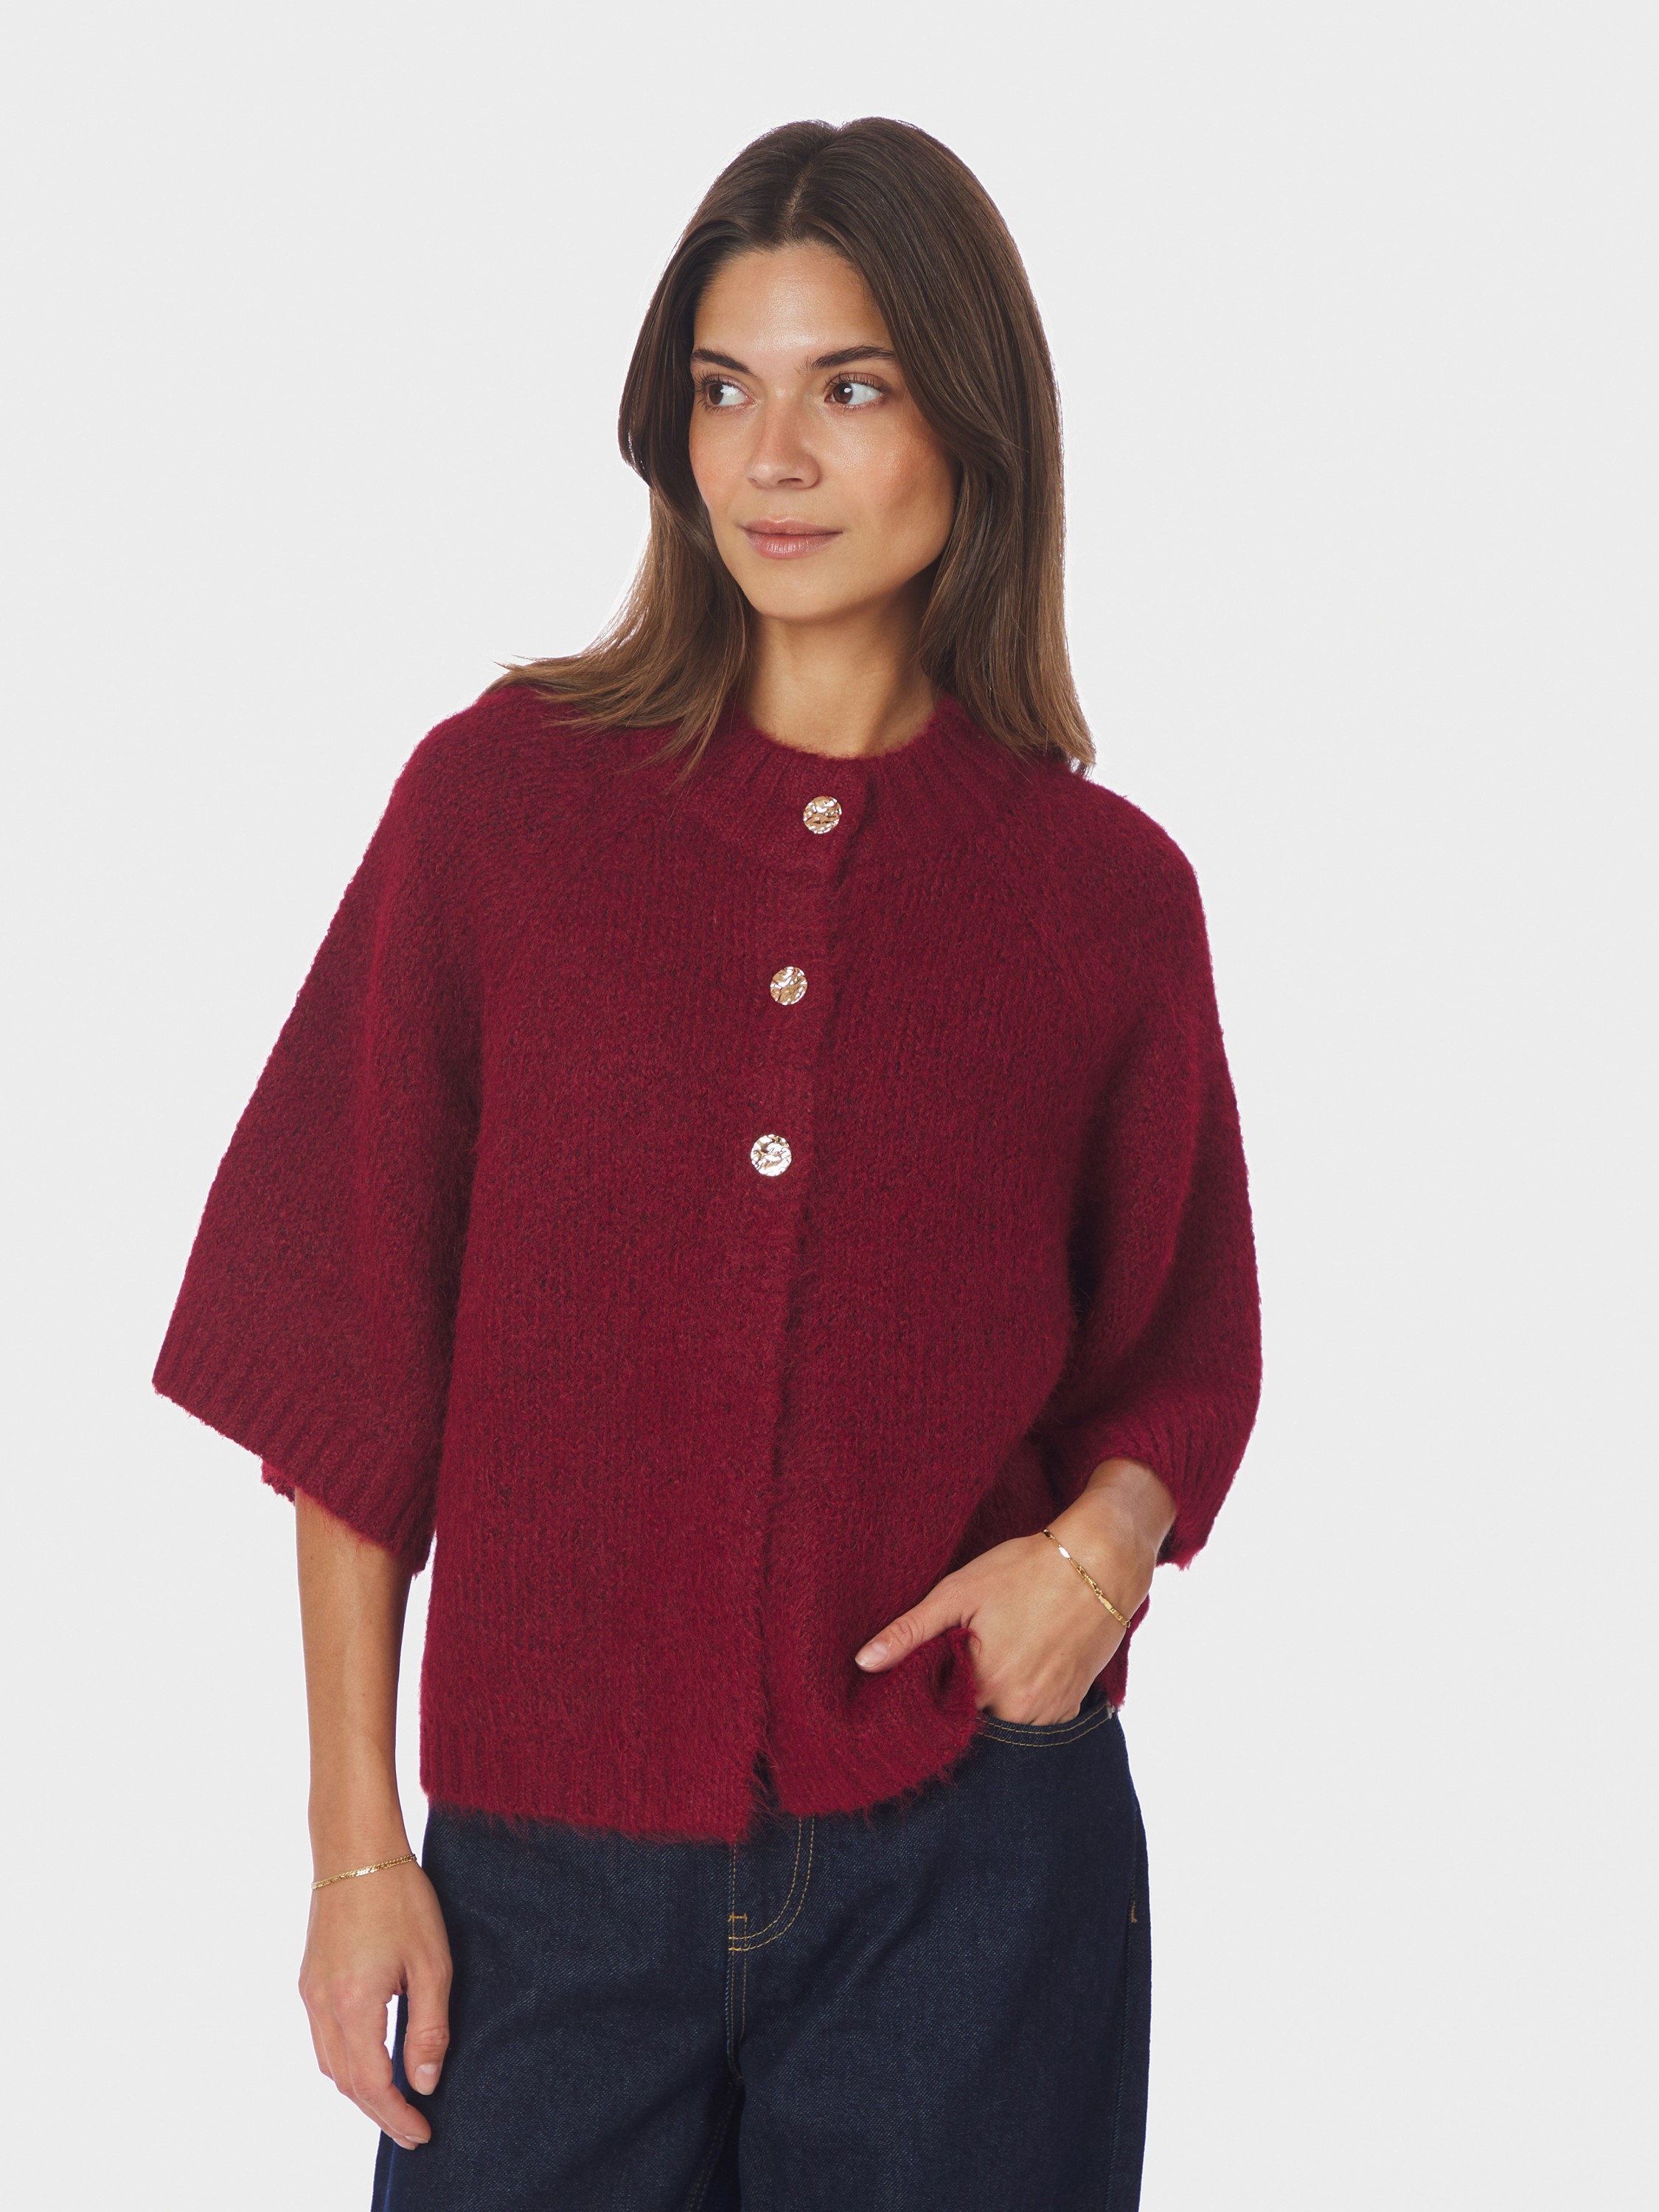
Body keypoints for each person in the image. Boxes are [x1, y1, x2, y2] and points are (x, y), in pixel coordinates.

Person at [155, 116, 1261, 2211]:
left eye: (850, 388)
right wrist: (354, 1843)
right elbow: (348, 1360)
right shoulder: (500, 808)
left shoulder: (1105, 898)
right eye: (724, 391)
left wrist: (1094, 1567)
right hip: (540, 1887)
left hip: (973, 1869)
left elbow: (1177, 1357)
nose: (774, 458)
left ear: (971, 421)